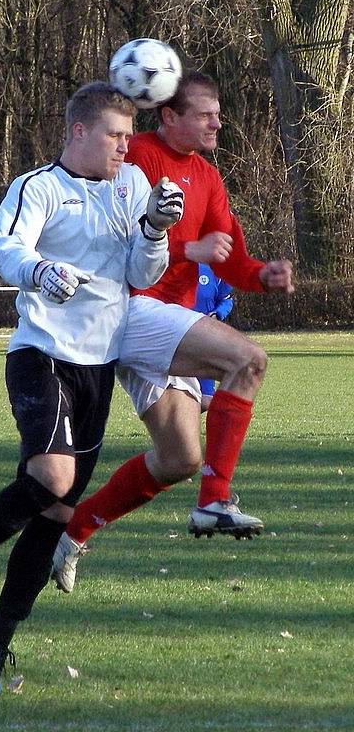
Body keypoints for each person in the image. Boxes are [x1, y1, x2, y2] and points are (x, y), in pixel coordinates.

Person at [0, 81, 177, 702]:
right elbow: (7, 249)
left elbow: (144, 274)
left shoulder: (134, 186)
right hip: (41, 354)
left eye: (128, 135)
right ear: (78, 132)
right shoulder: (40, 186)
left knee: (55, 511)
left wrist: (152, 229)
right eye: (116, 135)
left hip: (98, 363)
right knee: (55, 479)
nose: (125, 147)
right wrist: (39, 270)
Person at [52, 70, 294, 594]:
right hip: (131, 308)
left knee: (180, 459)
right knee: (248, 360)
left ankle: (74, 530)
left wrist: (262, 277)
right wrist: (189, 251)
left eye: (217, 113)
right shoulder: (134, 154)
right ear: (169, 116)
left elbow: (230, 258)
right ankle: (214, 502)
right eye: (205, 114)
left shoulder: (207, 176)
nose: (217, 122)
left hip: (165, 322)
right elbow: (113, 239)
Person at [193, 263, 234, 411]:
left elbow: (226, 299)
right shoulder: (173, 261)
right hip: (176, 338)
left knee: (206, 400)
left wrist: (218, 313)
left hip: (205, 339)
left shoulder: (215, 269)